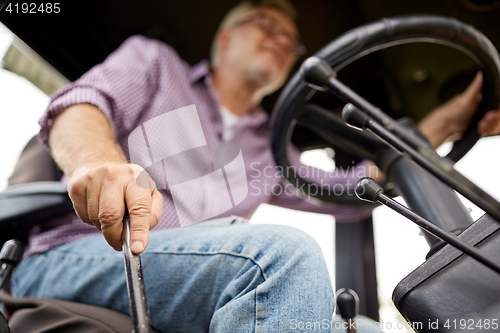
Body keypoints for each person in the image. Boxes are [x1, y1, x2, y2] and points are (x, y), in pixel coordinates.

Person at [11, 1, 500, 332]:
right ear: (224, 39)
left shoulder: (268, 150)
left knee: (364, 328)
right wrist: (99, 161)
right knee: (276, 258)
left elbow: (352, 193)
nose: (281, 39)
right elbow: (81, 103)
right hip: (79, 255)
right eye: (266, 24)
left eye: (290, 41)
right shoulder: (156, 64)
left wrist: (445, 126)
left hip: (194, 279)